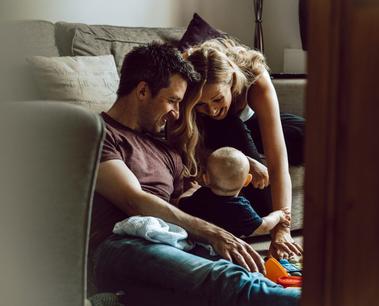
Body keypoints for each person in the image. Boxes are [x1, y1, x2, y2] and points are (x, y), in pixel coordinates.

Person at [89, 42, 300, 306]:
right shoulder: (97, 133)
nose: (177, 113)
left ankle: (124, 300)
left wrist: (239, 173)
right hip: (121, 245)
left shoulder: (164, 149)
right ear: (142, 91)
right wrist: (213, 233)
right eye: (172, 101)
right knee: (229, 281)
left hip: (170, 244)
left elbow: (190, 200)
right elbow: (134, 200)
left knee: (241, 276)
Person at [169, 38, 304, 259]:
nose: (211, 110)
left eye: (217, 99)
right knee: (230, 125)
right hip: (222, 134)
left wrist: (283, 231)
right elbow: (182, 145)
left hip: (253, 124)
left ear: (232, 80)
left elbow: (278, 161)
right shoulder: (185, 81)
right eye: (201, 105)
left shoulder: (255, 78)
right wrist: (246, 161)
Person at [179, 147, 290, 237]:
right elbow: (263, 226)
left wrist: (191, 190)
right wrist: (278, 215)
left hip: (197, 244)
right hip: (226, 252)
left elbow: (180, 203)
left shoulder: (201, 195)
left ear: (206, 178)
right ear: (247, 181)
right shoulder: (241, 207)